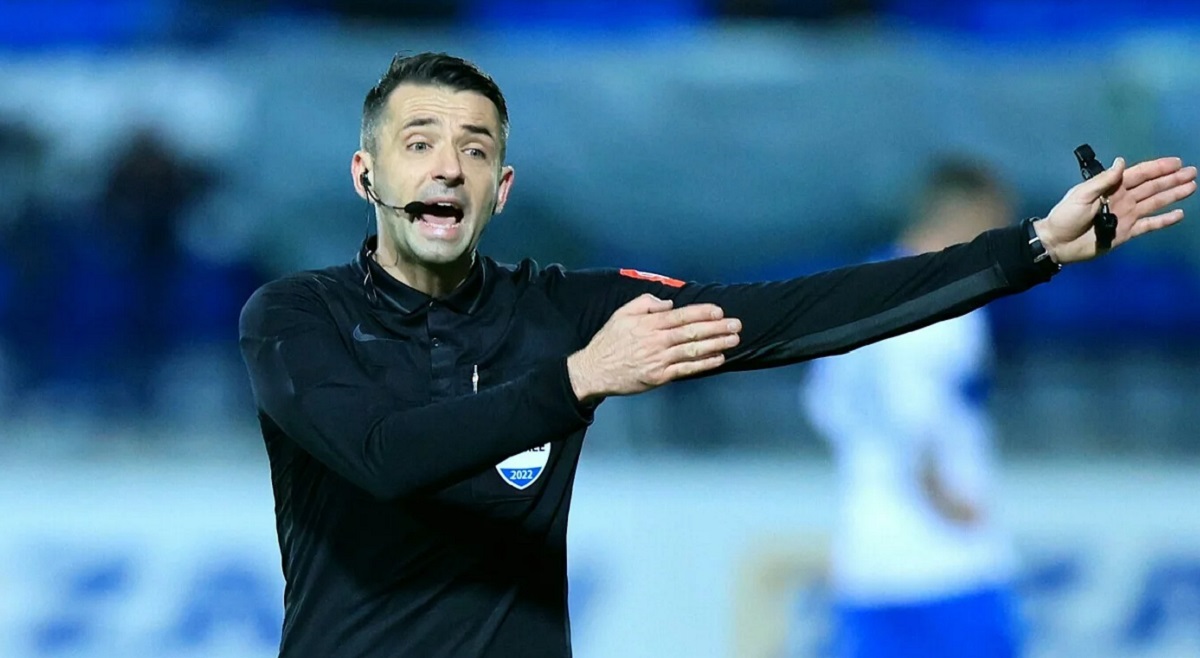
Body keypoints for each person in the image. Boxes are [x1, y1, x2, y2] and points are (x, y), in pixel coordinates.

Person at [236, 52, 1196, 658]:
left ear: (503, 187)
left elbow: (787, 316)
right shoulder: (296, 316)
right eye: (419, 143)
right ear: (367, 174)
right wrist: (581, 380)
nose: (449, 164)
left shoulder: (558, 310)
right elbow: (387, 455)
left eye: (475, 149)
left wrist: (1027, 249)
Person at [802, 159, 1025, 658]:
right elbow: (914, 413)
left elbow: (823, 406)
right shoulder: (942, 298)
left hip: (866, 555)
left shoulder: (856, 288)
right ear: (971, 214)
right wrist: (944, 496)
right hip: (944, 560)